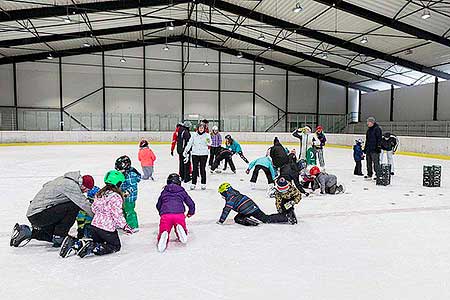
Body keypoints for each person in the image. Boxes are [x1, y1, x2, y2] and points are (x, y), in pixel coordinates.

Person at [59, 170, 134, 258]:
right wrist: (124, 226)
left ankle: (76, 243)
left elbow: (94, 209)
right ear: (118, 183)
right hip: (107, 229)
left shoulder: (100, 193)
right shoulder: (116, 197)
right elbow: (117, 214)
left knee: (99, 242)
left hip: (94, 227)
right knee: (115, 246)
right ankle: (94, 247)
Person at [10, 172, 95, 248]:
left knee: (52, 237)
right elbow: (83, 203)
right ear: (83, 185)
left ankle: (27, 232)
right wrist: (98, 217)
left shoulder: (63, 180)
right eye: (86, 190)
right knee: (74, 206)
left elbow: (45, 185)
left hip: (36, 214)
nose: (84, 192)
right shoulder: (71, 186)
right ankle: (59, 235)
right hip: (39, 214)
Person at [216, 183, 294, 226]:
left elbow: (226, 210)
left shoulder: (230, 199)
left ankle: (287, 218)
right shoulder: (236, 193)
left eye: (222, 193)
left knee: (238, 218)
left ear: (225, 192)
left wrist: (221, 221)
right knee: (265, 217)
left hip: (246, 210)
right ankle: (286, 216)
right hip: (253, 206)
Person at [156, 174, 195, 253]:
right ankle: (181, 232)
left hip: (166, 214)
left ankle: (164, 234)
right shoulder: (182, 192)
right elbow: (191, 203)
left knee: (164, 227)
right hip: (179, 214)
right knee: (181, 225)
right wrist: (191, 212)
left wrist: (161, 212)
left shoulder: (164, 192)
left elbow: (158, 204)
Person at [115, 155, 141, 232]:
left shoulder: (131, 174)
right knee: (123, 210)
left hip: (129, 198)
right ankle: (124, 224)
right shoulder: (123, 173)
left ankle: (133, 226)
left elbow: (133, 186)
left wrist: (127, 192)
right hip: (123, 196)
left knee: (129, 211)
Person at [183, 123, 211, 190]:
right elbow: (190, 143)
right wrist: (186, 150)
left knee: (202, 169)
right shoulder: (193, 135)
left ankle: (203, 183)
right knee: (194, 169)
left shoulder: (207, 135)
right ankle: (193, 183)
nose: (201, 129)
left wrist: (207, 139)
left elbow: (210, 143)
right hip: (195, 154)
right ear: (198, 128)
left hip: (204, 154)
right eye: (200, 128)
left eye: (202, 128)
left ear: (204, 129)